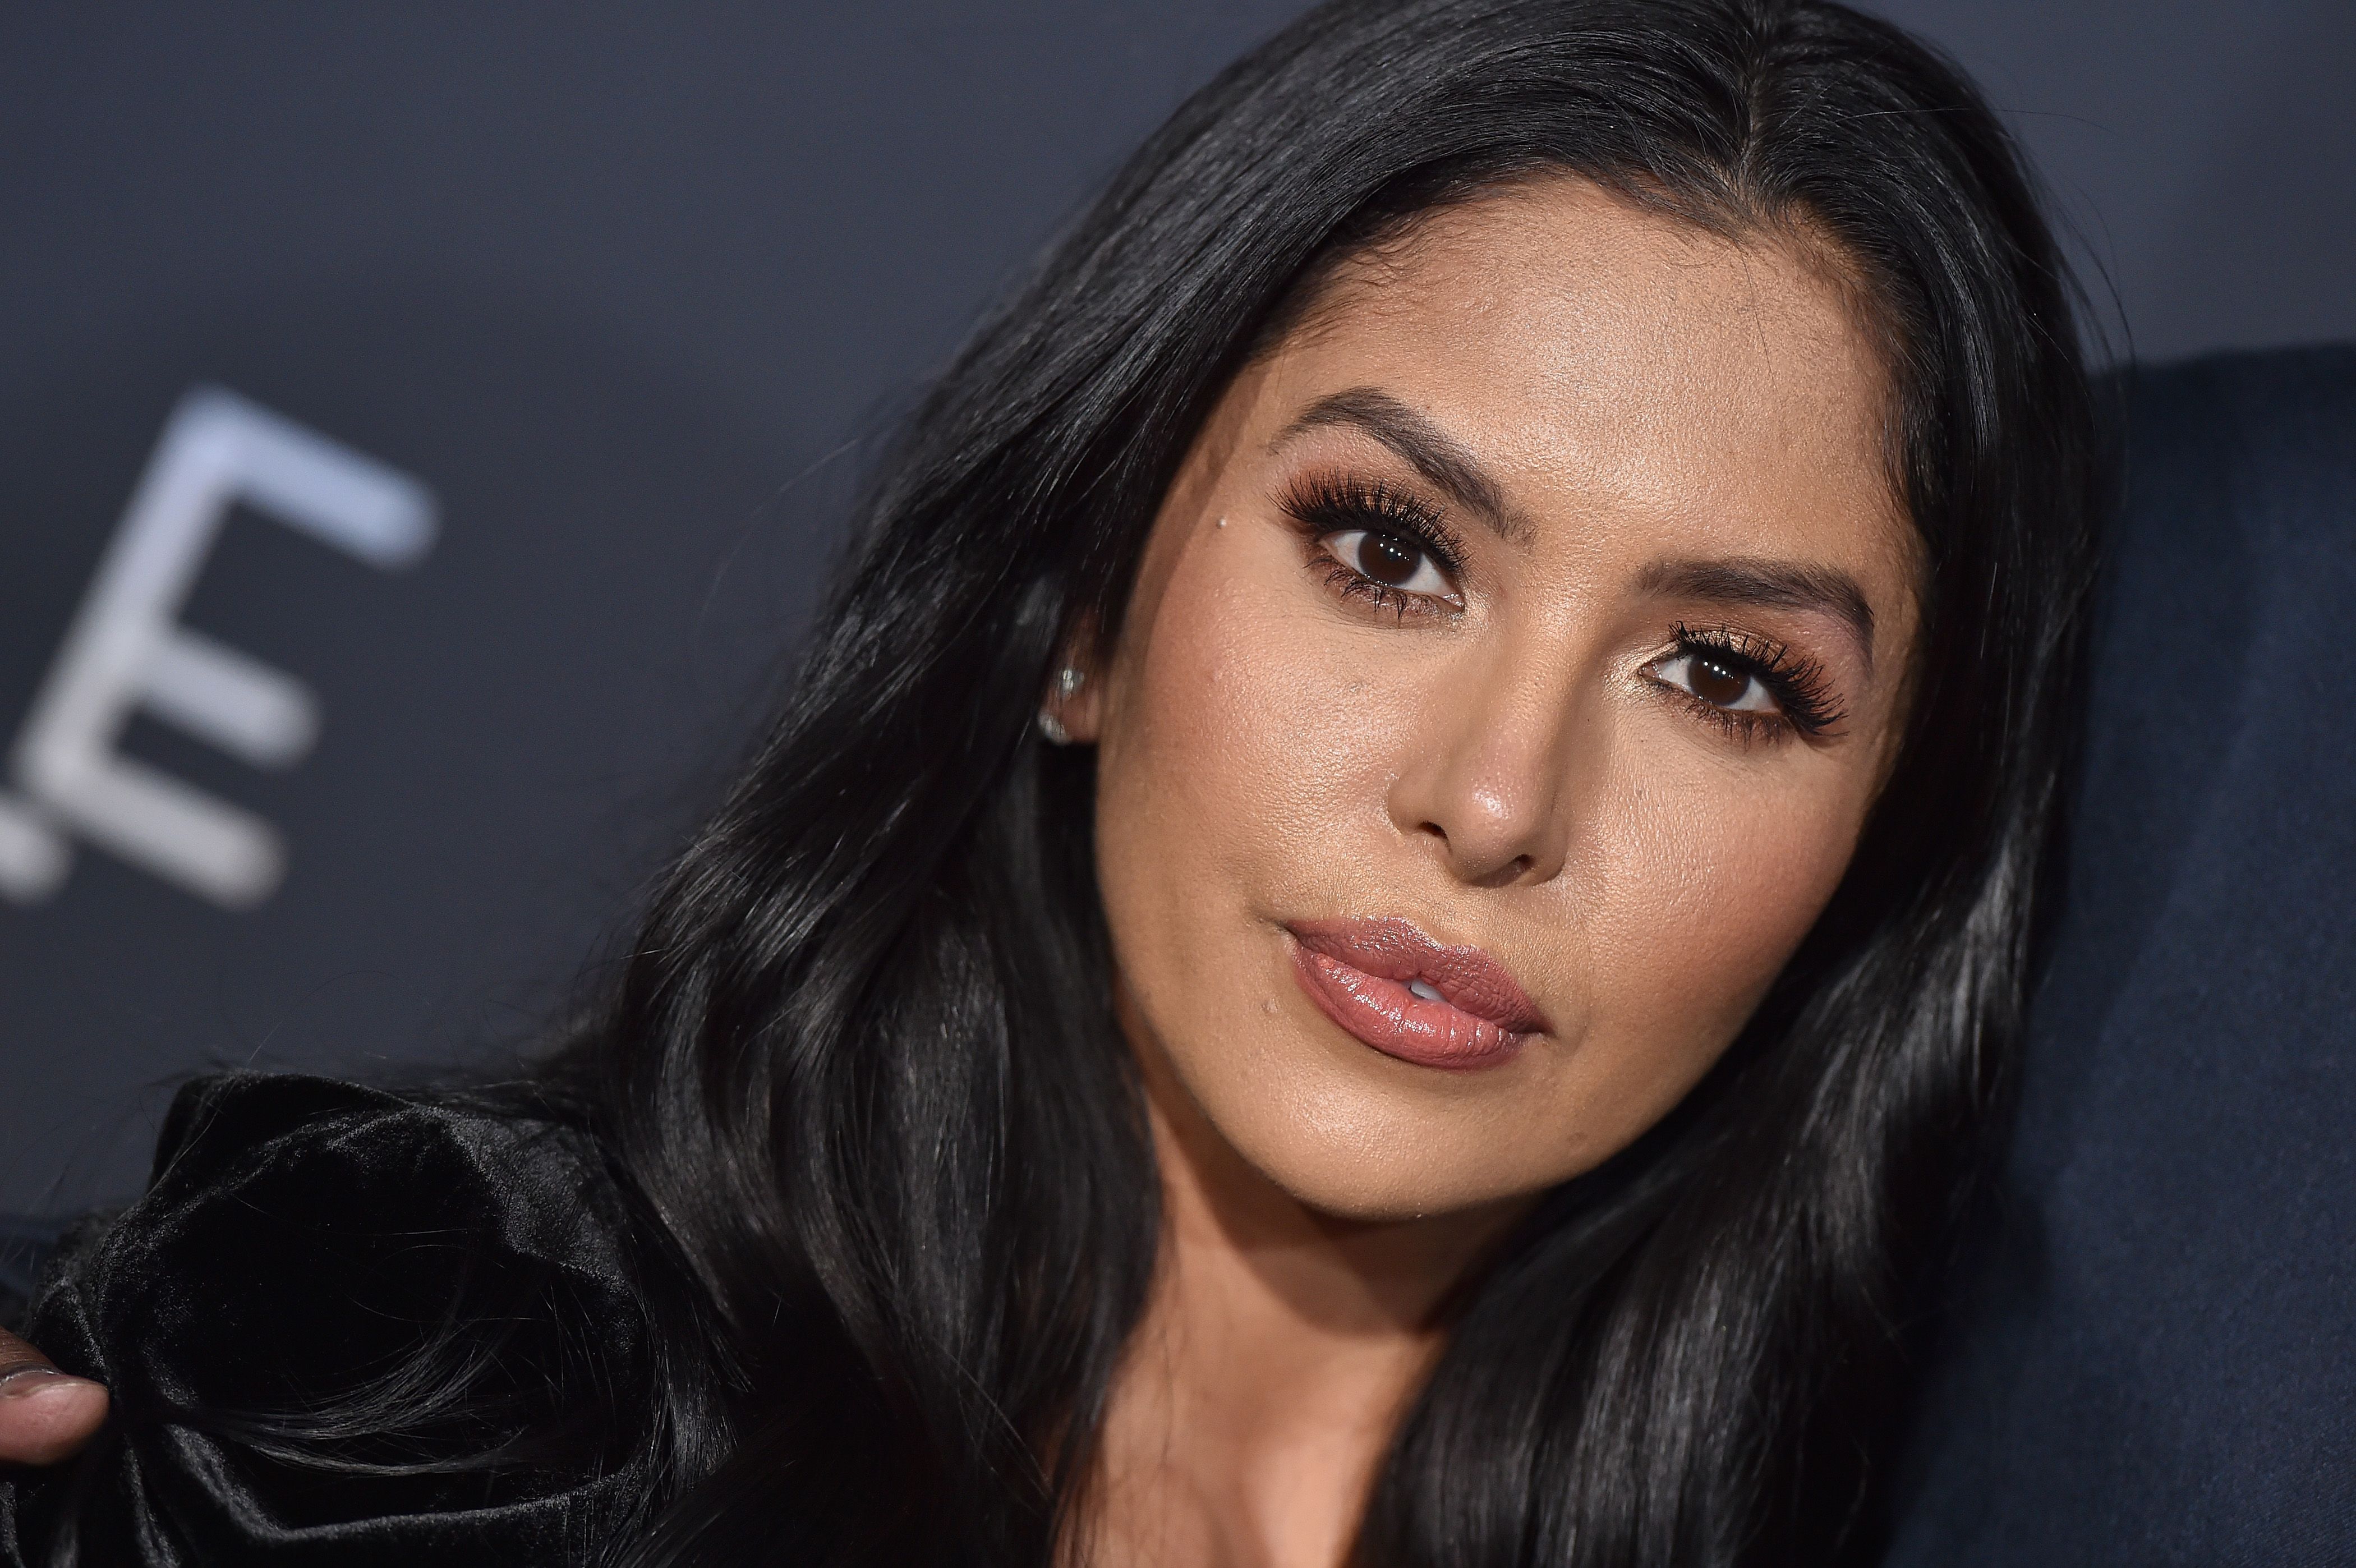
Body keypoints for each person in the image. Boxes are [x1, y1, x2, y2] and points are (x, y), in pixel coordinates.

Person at [0, 0, 2101, 1562]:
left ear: (1884, 844)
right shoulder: (424, 1414)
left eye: (1724, 675)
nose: (1493, 796)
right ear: (1082, 606)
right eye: (1390, 550)